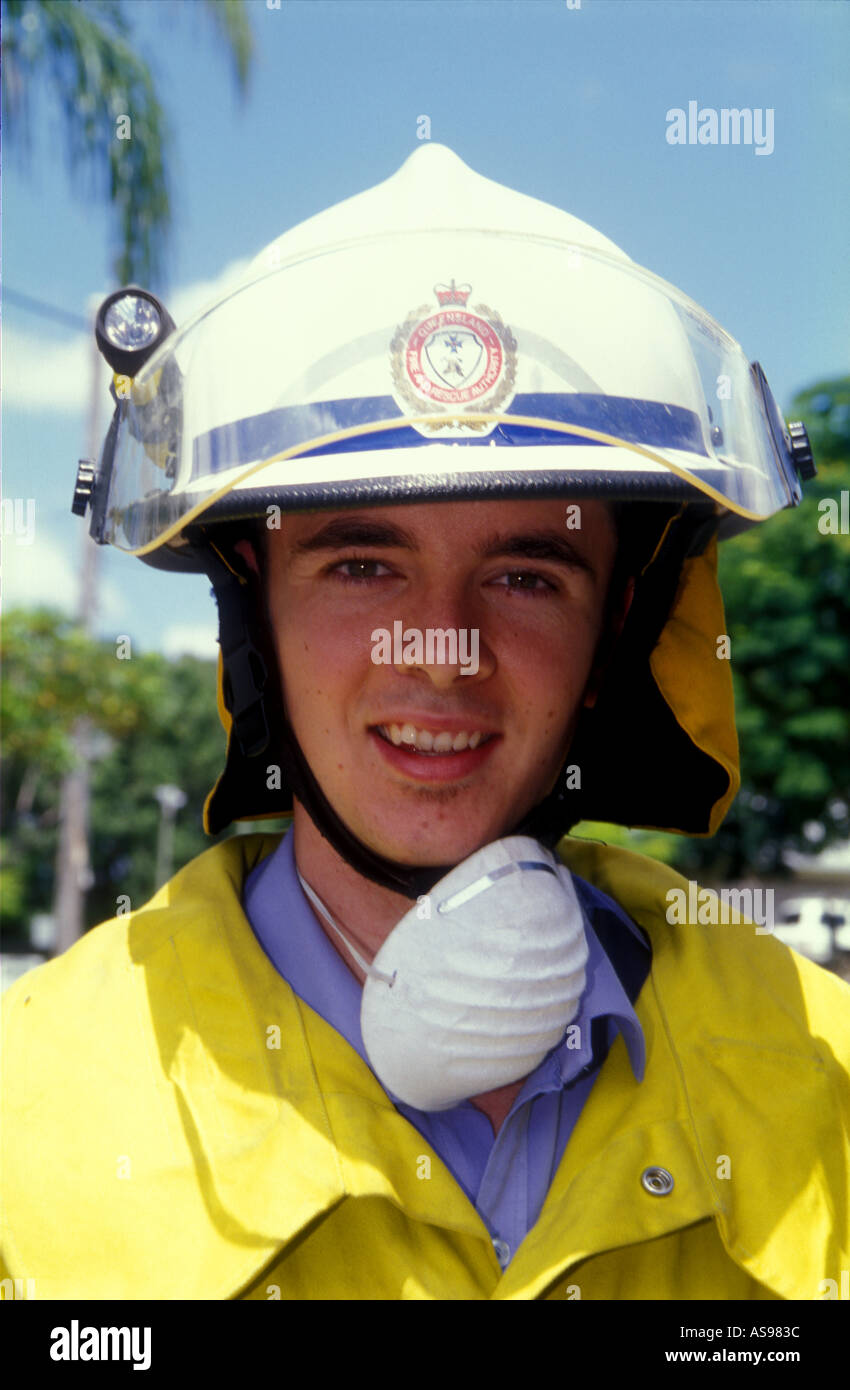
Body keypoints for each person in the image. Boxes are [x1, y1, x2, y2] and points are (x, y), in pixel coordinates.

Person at [2, 145, 848, 1302]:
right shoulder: (29, 1111)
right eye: (360, 563)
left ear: (617, 633)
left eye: (527, 576)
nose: (440, 649)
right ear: (253, 614)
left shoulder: (822, 1069)